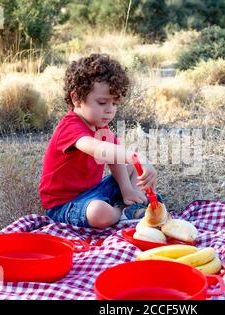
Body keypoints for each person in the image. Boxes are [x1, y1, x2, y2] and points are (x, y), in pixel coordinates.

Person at [39, 53, 162, 229]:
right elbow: (97, 148)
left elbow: (114, 157)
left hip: (94, 193)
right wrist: (136, 156)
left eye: (115, 103)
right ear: (76, 98)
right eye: (103, 102)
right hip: (64, 205)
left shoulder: (99, 125)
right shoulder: (70, 126)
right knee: (99, 212)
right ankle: (123, 211)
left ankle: (132, 202)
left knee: (133, 167)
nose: (110, 110)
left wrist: (127, 188)